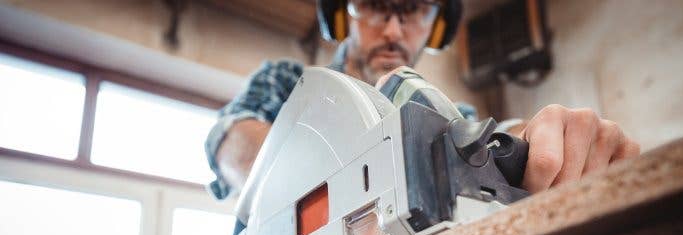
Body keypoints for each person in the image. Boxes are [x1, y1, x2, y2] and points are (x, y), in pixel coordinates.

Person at [205, 0, 640, 216]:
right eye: (376, 5)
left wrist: (545, 140)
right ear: (341, 16)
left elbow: (496, 136)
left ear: (437, 26)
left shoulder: (454, 115)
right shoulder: (285, 82)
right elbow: (234, 145)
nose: (394, 30)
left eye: (414, 10)